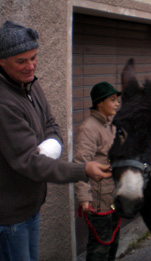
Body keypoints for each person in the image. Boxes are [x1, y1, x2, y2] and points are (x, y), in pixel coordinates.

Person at [0, 20, 111, 261]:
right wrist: (83, 170)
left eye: (34, 57)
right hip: (10, 217)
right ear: (2, 61)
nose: (30, 66)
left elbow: (51, 124)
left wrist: (50, 144)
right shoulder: (4, 102)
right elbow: (30, 162)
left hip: (30, 205)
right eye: (21, 61)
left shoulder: (29, 84)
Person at [74, 81, 121, 261]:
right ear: (99, 103)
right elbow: (81, 163)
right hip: (98, 201)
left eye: (117, 100)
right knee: (99, 249)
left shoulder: (111, 124)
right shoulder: (89, 128)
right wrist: (84, 198)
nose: (117, 103)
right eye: (112, 99)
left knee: (113, 245)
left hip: (113, 196)